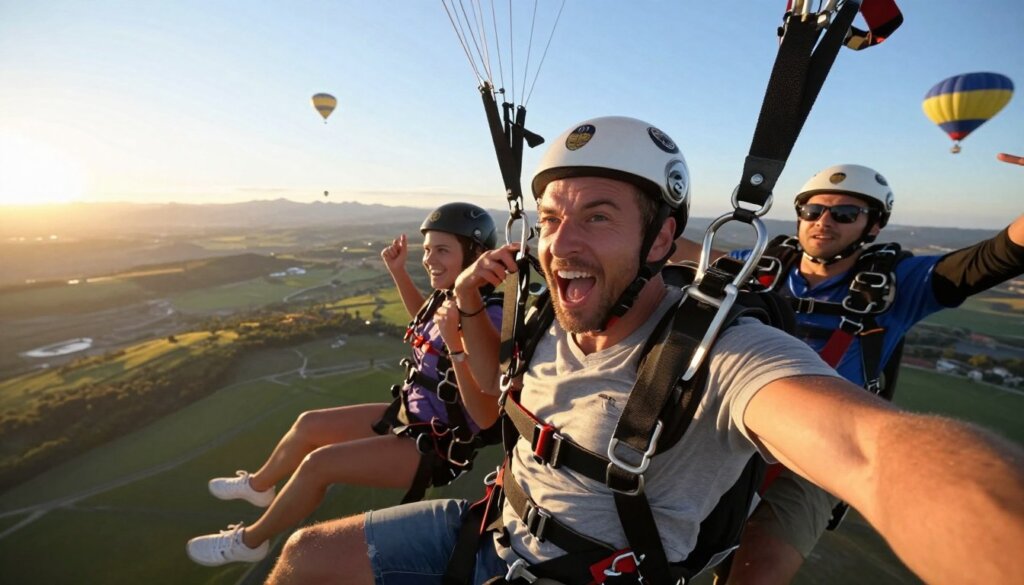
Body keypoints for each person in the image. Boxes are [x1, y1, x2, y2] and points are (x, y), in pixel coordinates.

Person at [262, 117, 1024, 585]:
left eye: (599, 216)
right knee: (304, 557)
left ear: (664, 239)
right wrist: (463, 304)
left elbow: (871, 451)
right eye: (554, 217)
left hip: (588, 572)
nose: (563, 240)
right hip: (492, 527)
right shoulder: (539, 313)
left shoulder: (724, 350)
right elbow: (489, 404)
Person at [672, 164, 1024, 584]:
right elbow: (683, 252)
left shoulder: (900, 284)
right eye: (813, 210)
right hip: (730, 422)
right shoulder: (764, 269)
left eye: (844, 214)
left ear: (872, 226)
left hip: (822, 446)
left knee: (757, 573)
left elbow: (996, 257)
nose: (823, 222)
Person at [186, 202, 503, 567]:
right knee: (308, 424)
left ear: (476, 255)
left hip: (438, 446)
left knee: (318, 465)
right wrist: (398, 272)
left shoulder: (486, 313)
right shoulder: (445, 297)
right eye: (428, 249)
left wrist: (458, 343)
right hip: (409, 415)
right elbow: (426, 324)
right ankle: (259, 486)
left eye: (442, 250)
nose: (430, 259)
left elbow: (487, 403)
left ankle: (249, 541)